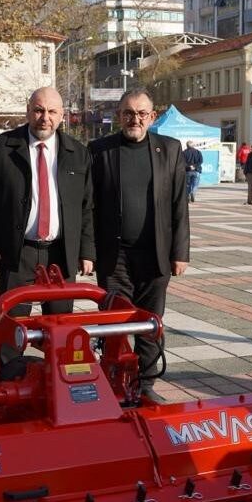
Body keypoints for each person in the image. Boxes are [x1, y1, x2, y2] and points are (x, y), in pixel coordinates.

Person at [89, 87, 190, 388]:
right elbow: (88, 206)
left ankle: (145, 385)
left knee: (149, 324)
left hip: (155, 254)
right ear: (119, 116)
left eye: (142, 113)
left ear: (152, 116)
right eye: (129, 113)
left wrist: (180, 253)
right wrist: (88, 251)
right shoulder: (99, 151)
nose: (135, 119)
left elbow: (179, 205)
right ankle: (114, 381)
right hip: (114, 256)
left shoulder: (170, 149)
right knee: (113, 325)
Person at [0, 87, 95, 318]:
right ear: (28, 111)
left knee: (59, 329)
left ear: (62, 115)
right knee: (12, 329)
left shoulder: (78, 153)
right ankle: (12, 357)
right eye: (39, 110)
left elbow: (87, 206)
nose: (45, 118)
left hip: (61, 254)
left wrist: (87, 251)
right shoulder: (2, 148)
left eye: (52, 112)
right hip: (17, 253)